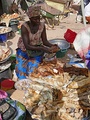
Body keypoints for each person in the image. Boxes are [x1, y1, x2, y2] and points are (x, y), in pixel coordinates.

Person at [15, 5, 59, 80]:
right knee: (21, 73)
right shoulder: (24, 27)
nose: (38, 21)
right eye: (35, 19)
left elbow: (45, 41)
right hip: (24, 49)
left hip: (36, 49)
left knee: (33, 72)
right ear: (30, 19)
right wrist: (44, 49)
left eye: (38, 18)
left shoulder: (42, 25)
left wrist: (52, 46)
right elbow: (27, 45)